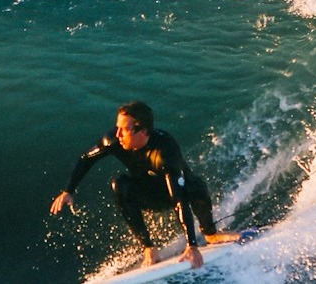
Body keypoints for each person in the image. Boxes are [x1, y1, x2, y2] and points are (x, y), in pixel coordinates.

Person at [49, 101, 237, 268]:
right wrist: (68, 191)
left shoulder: (165, 150)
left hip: (176, 193)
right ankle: (149, 247)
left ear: (143, 131)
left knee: (195, 185)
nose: (117, 134)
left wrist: (192, 246)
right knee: (119, 184)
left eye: (124, 129)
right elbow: (86, 158)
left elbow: (179, 199)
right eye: (117, 127)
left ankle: (210, 233)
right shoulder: (114, 140)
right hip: (149, 194)